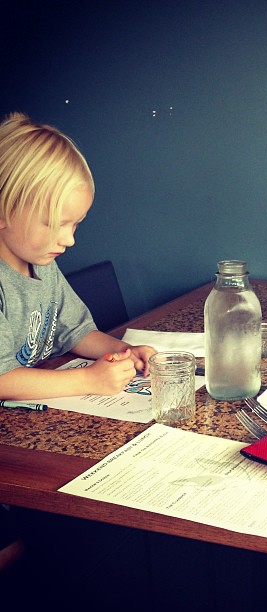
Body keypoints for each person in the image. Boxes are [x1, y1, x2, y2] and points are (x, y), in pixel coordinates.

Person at [0, 112, 156, 569]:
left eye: (76, 224)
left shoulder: (42, 264)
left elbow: (75, 330)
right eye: (57, 223)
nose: (68, 239)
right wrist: (90, 380)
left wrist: (121, 352)